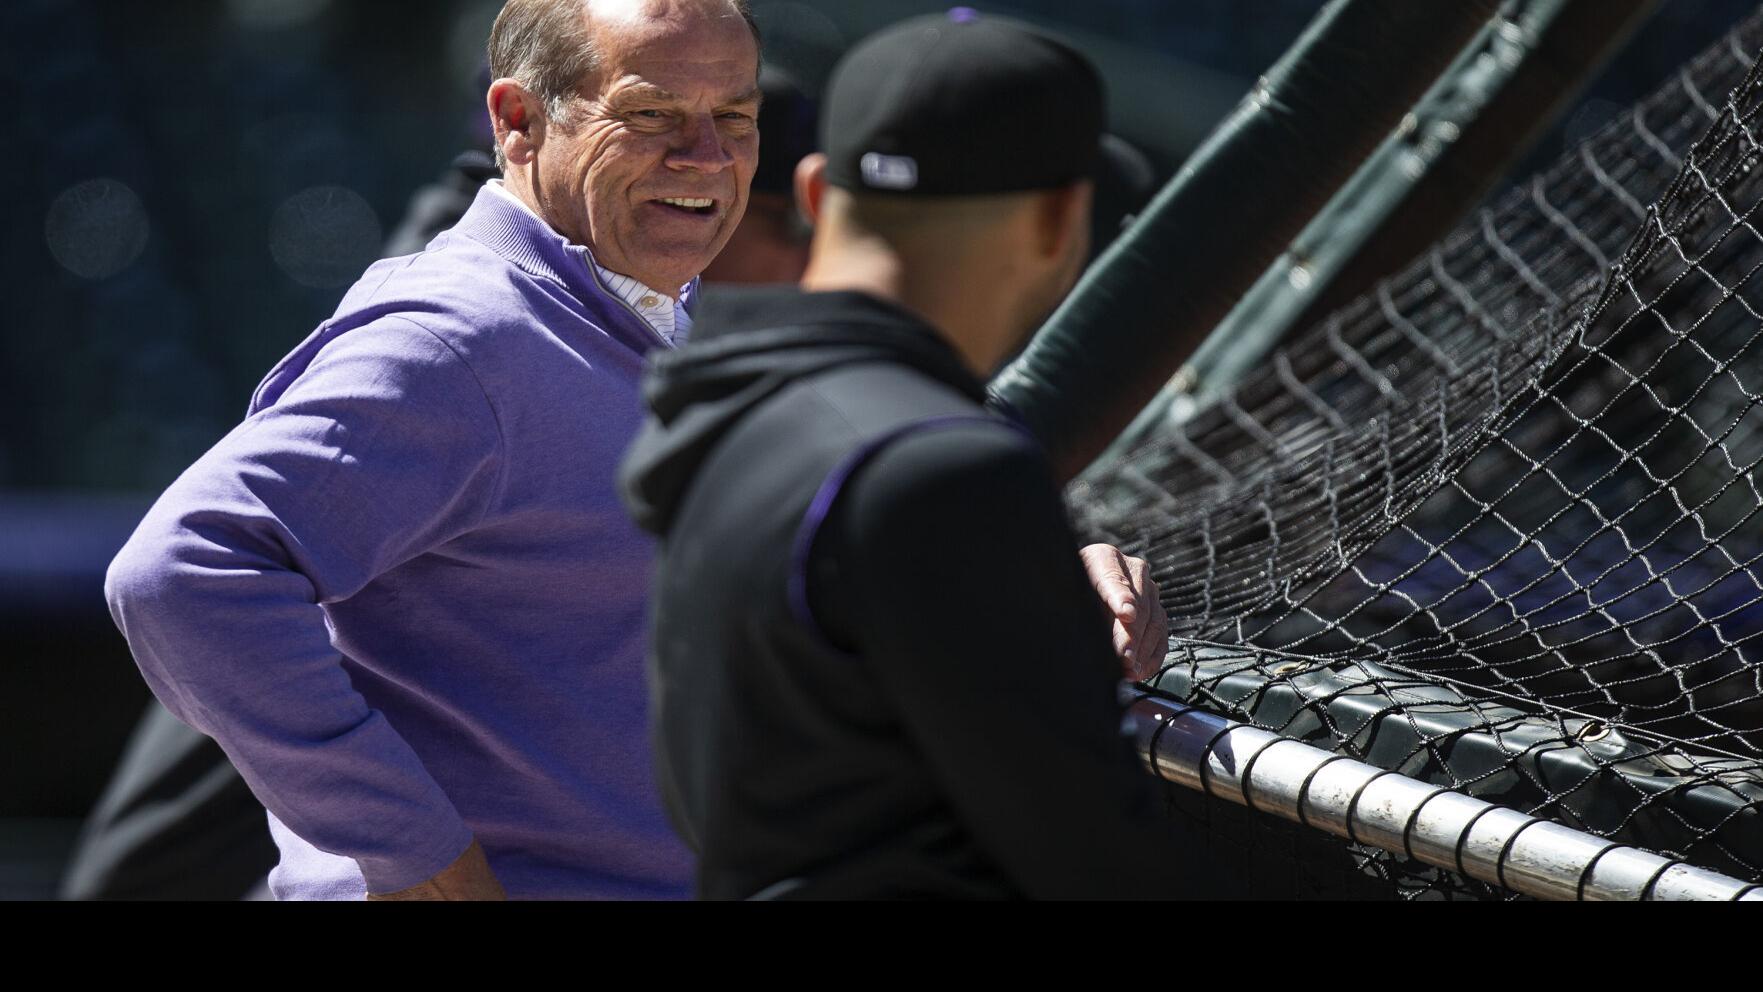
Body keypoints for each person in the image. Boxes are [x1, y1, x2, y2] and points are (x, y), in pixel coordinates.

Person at [102, 0, 1162, 901]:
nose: (704, 159)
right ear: (519, 121)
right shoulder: (459, 336)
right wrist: (418, 855)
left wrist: (1008, 583)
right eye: (652, 117)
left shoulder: (647, 308)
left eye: (733, 120)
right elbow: (183, 572)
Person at [618, 10, 1211, 899]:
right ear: (1059, 220)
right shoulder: (944, 466)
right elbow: (1097, 858)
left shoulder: (729, 408)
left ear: (817, 195)